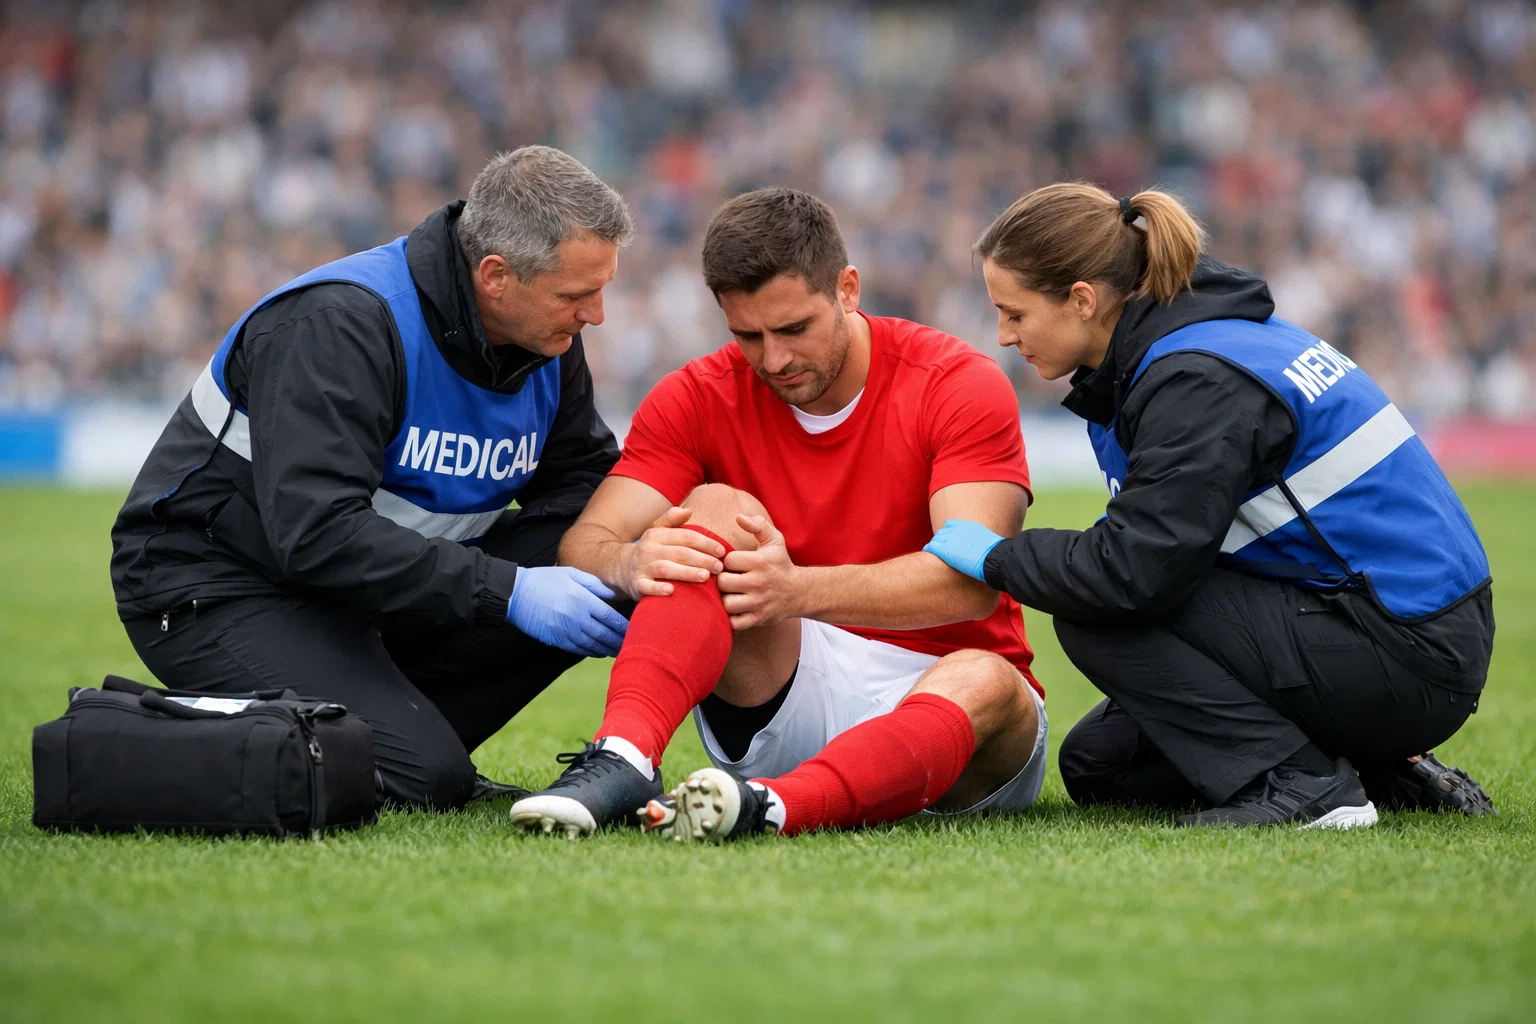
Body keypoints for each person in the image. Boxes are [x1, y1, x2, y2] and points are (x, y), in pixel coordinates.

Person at [923, 182, 1496, 829]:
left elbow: (1133, 572)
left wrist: (997, 555)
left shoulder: (1195, 376)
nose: (1002, 335)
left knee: (1094, 612)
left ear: (1082, 301)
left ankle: (1307, 788)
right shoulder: (1199, 341)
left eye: (1015, 313)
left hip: (1407, 650)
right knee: (1102, 766)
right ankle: (1383, 769)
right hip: (1400, 632)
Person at [507, 187, 1046, 840]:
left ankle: (773, 806)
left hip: (962, 736)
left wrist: (796, 589)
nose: (775, 359)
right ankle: (622, 757)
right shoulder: (695, 396)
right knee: (710, 510)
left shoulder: (956, 383)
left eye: (793, 329)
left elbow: (970, 586)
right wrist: (628, 559)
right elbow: (586, 541)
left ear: (848, 290)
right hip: (783, 690)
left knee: (986, 677)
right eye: (747, 336)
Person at [110, 147, 633, 810]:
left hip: (361, 594)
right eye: (577, 295)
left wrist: (642, 549)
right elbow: (317, 534)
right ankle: (119, 735)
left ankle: (384, 722)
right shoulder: (340, 324)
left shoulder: (543, 333)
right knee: (422, 776)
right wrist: (511, 591)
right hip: (218, 588)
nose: (597, 315)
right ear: (496, 276)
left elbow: (584, 484)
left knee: (619, 551)